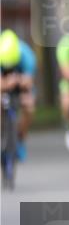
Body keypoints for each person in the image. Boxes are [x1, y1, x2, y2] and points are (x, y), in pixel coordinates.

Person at [0, 29, 36, 163]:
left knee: (29, 106)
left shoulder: (27, 55)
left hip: (21, 87)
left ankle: (20, 138)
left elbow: (29, 81)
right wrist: (5, 84)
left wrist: (18, 81)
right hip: (4, 86)